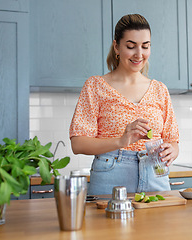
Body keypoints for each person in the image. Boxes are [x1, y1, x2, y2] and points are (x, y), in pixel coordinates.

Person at [69, 14, 179, 195]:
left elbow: (172, 140)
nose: (139, 54)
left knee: (160, 223)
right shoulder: (96, 86)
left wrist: (172, 151)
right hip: (111, 174)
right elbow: (78, 143)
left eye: (145, 46)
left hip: (155, 173)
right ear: (116, 47)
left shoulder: (160, 89)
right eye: (131, 46)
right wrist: (121, 141)